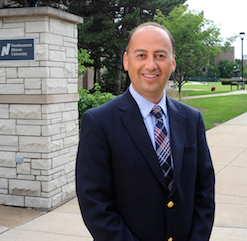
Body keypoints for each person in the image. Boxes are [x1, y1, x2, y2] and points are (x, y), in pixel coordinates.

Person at [76, 22, 215, 241]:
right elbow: (95, 205)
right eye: (141, 55)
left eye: (160, 55)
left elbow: (204, 192)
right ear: (126, 61)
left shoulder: (191, 119)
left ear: (172, 63)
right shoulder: (99, 122)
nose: (151, 65)